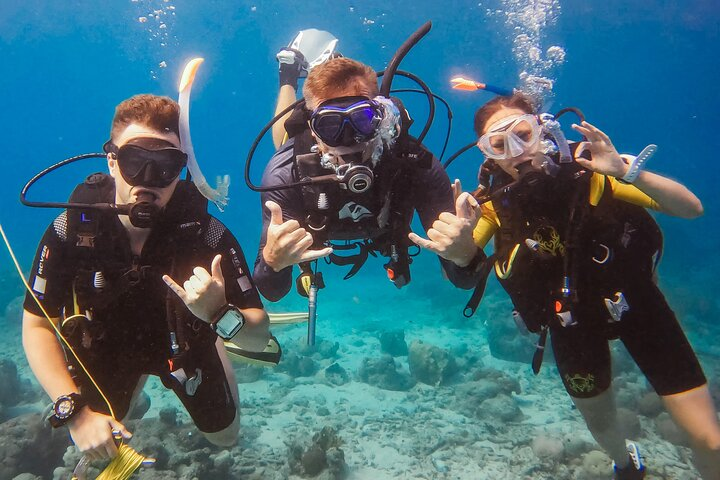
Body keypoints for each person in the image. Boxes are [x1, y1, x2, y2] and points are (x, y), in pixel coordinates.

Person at [417, 92, 720, 479]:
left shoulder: (595, 172)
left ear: (543, 130)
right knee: (603, 426)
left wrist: (627, 172)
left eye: (523, 133)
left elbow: (692, 208)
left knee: (711, 441)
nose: (516, 151)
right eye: (499, 144)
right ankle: (626, 464)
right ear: (489, 156)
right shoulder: (491, 205)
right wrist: (459, 250)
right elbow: (463, 269)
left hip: (639, 306)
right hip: (569, 323)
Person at [21, 94, 270, 461]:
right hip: (109, 345)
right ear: (111, 161)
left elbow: (259, 336)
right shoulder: (69, 230)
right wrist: (71, 409)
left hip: (185, 344)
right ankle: (133, 381)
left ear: (181, 170)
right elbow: (37, 325)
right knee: (93, 444)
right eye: (134, 161)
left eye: (166, 166)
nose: (149, 181)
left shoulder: (207, 235)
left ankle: (216, 344)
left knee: (225, 438)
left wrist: (219, 314)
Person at [253, 56, 482, 302]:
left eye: (362, 120)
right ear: (313, 130)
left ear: (382, 118)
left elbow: (465, 281)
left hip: (382, 227)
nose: (349, 139)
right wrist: (272, 261)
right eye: (330, 125)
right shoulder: (286, 172)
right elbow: (271, 291)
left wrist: (465, 254)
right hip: (305, 157)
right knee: (283, 141)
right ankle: (288, 74)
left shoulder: (414, 162)